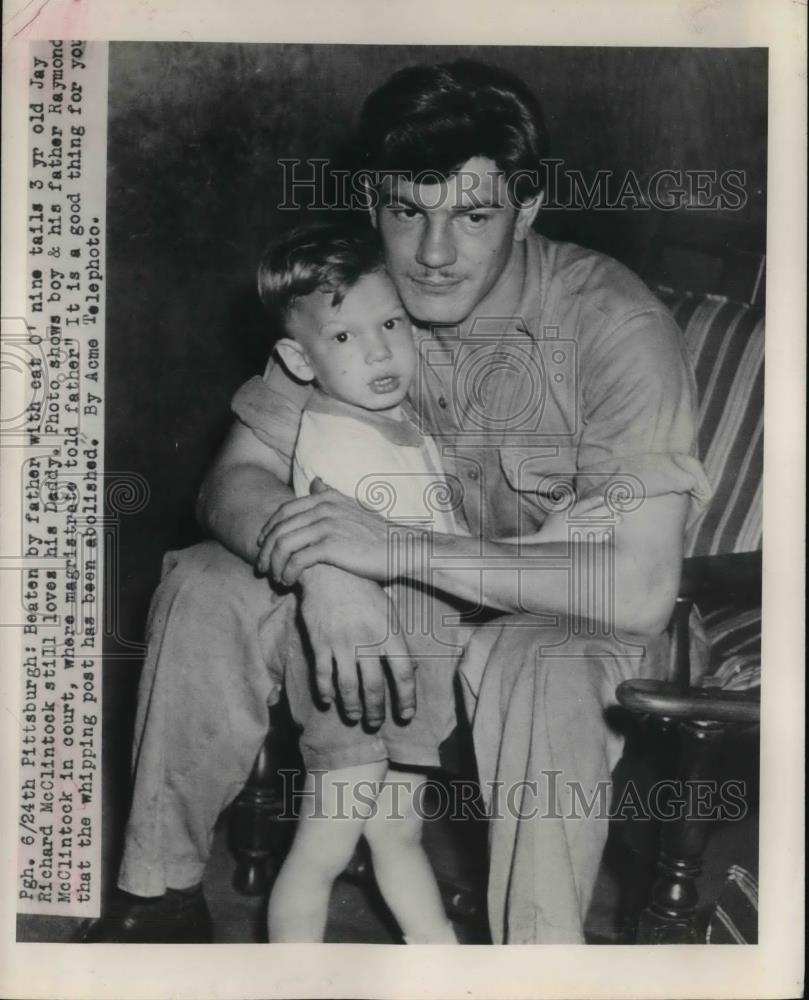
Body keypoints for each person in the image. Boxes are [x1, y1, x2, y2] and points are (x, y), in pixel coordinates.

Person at [79, 58, 711, 945]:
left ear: (526, 210)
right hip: (396, 598)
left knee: (539, 659)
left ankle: (539, 965)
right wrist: (330, 571)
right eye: (407, 210)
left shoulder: (614, 326)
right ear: (374, 201)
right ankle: (159, 900)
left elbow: (637, 588)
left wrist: (390, 551)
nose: (433, 254)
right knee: (208, 579)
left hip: (566, 612)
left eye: (474, 215)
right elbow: (233, 480)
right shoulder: (356, 290)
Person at [256, 221, 462, 944]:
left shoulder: (397, 420)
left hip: (416, 667)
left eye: (389, 324)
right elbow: (340, 563)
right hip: (358, 669)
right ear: (298, 359)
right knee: (327, 842)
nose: (377, 350)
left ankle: (437, 961)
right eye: (342, 337)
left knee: (397, 830)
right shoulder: (334, 438)